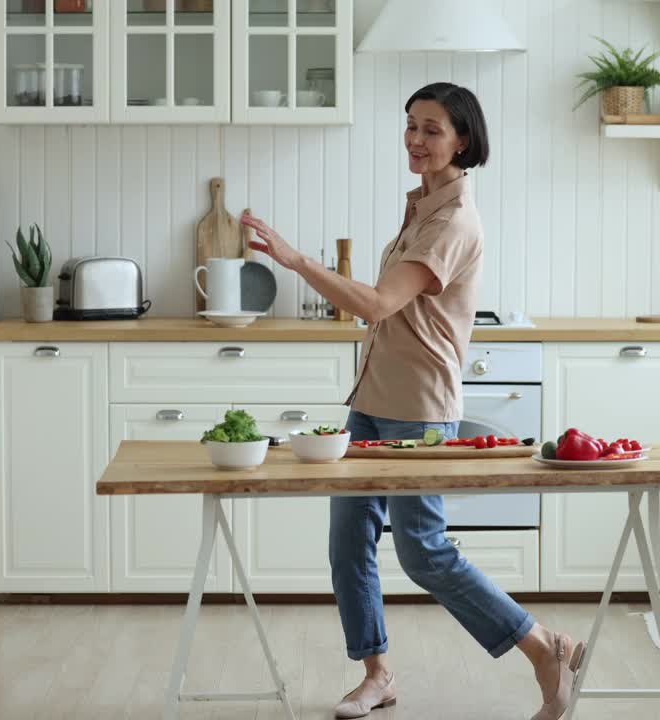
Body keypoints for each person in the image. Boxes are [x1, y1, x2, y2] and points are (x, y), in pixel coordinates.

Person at [241, 82, 583, 720]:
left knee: (423, 548)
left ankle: (543, 648)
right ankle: (378, 676)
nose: (416, 140)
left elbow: (375, 304)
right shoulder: (423, 208)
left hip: (419, 409)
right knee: (349, 543)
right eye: (411, 126)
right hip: (372, 398)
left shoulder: (453, 221)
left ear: (463, 141)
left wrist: (293, 259)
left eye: (431, 129)